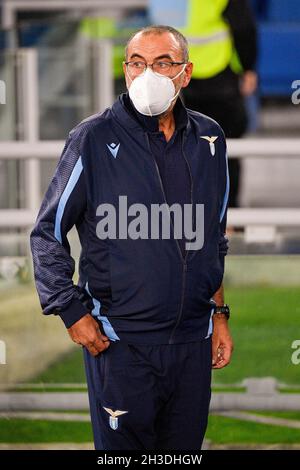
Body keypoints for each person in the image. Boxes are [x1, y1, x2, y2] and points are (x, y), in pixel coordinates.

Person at [30, 25, 233, 450]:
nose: (149, 75)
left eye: (163, 63)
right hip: (120, 344)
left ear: (187, 72)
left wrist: (218, 315)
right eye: (138, 63)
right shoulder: (92, 138)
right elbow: (47, 232)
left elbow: (211, 238)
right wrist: (70, 311)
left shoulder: (209, 139)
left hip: (192, 344)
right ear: (125, 71)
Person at [177, 0, 257, 207]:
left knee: (195, 148)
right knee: (227, 148)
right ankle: (228, 215)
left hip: (184, 76)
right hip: (220, 74)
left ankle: (201, 212)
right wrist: (248, 67)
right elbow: (243, 28)